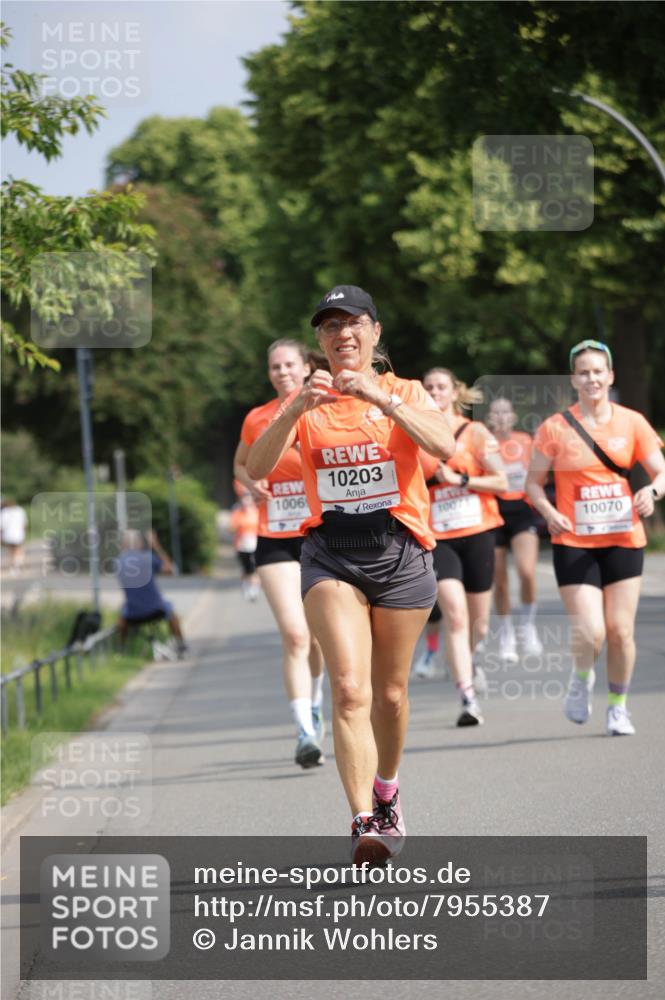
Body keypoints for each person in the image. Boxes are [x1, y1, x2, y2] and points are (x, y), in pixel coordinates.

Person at [246, 285, 454, 864]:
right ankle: (363, 818)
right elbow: (257, 470)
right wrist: (293, 409)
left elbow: (445, 447)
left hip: (401, 553)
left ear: (374, 333)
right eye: (329, 326)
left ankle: (387, 790)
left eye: (353, 323)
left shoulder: (405, 391)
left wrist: (383, 401)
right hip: (331, 556)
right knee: (349, 688)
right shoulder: (306, 406)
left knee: (390, 694)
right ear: (320, 341)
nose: (342, 334)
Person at [526, 340, 665, 736]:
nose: (591, 378)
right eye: (584, 372)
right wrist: (549, 512)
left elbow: (661, 472)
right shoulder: (554, 427)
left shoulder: (632, 422)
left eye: (597, 371)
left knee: (621, 631)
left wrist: (651, 493)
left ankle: (618, 707)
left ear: (610, 376)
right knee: (592, 631)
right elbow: (532, 485)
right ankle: (582, 677)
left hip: (624, 537)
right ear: (574, 379)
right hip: (574, 541)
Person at [234, 339, 327, 770]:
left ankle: (318, 695)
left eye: (289, 363)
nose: (282, 371)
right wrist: (250, 482)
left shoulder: (325, 407)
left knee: (320, 635)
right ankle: (304, 729)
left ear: (307, 367)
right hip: (275, 536)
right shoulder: (256, 418)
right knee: (295, 634)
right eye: (274, 366)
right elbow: (241, 463)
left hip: (320, 534)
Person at [420, 368, 508, 726]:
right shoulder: (413, 436)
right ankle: (467, 696)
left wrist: (461, 479)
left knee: (479, 623)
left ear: (455, 391)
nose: (435, 392)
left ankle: (469, 659)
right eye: (428, 387)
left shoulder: (475, 433)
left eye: (441, 386)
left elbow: (502, 481)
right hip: (437, 537)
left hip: (478, 531)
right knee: (454, 613)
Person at [487, 396, 543, 662]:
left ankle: (527, 626)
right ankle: (506, 632)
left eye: (505, 412)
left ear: (513, 416)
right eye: (495, 413)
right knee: (500, 580)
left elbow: (539, 475)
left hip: (521, 511)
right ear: (489, 418)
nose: (500, 417)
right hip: (494, 511)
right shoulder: (484, 443)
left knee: (526, 571)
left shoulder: (525, 441)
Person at [116, 530, 187, 656]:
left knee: (122, 617)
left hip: (133, 613)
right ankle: (181, 644)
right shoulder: (148, 558)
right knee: (172, 614)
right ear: (140, 543)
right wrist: (156, 546)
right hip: (156, 610)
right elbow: (171, 570)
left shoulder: (119, 562)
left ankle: (122, 650)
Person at [229, 487, 260, 601]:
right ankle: (246, 586)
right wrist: (237, 526)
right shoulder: (238, 513)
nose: (246, 501)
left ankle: (254, 590)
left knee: (255, 568)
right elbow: (231, 528)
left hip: (255, 545)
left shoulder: (257, 512)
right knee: (246, 569)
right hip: (242, 545)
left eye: (248, 498)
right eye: (244, 498)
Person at [1, 498, 28, 574]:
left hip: (8, 534)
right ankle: (18, 563)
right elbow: (24, 524)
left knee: (11, 551)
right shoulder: (20, 510)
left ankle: (14, 565)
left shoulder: (5, 512)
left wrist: (1, 536)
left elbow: (2, 526)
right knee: (18, 549)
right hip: (18, 534)